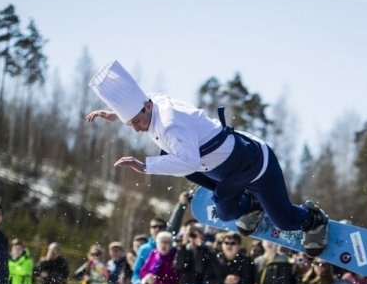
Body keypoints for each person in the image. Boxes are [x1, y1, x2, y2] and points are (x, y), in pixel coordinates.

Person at [86, 60, 329, 257]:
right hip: (226, 166)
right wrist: (116, 115)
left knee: (279, 220)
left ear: (147, 107)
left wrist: (144, 166)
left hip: (254, 166)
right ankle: (251, 206)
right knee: (170, 157)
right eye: (131, 124)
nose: (137, 129)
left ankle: (313, 220)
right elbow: (140, 99)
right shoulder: (154, 102)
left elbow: (189, 163)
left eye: (137, 121)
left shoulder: (170, 126)